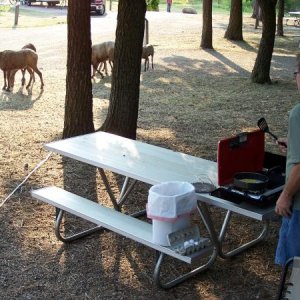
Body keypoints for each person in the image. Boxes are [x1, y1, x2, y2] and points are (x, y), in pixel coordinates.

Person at [275, 53, 300, 266]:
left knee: (294, 267)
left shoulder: (299, 113)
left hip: (299, 206)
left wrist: (285, 195)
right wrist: (293, 145)